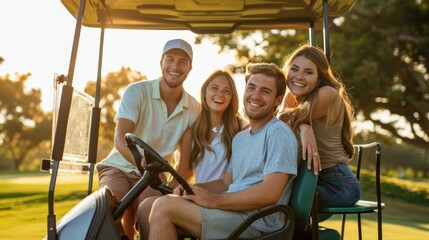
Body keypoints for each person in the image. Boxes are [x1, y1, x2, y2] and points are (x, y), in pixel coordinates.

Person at [138, 62, 298, 240]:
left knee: (164, 207)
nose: (255, 95)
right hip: (232, 213)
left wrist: (214, 200)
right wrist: (190, 189)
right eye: (251, 88)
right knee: (147, 206)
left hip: (256, 221)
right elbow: (224, 183)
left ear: (278, 100)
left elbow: (270, 194)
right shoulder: (241, 138)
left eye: (265, 91)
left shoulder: (278, 133)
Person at [96, 39, 200, 239]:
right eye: (170, 59)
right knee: (109, 207)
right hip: (118, 166)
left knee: (150, 210)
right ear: (161, 62)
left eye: (182, 62)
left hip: (153, 175)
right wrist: (141, 163)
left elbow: (185, 166)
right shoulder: (137, 91)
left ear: (190, 68)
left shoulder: (194, 109)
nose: (175, 66)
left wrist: (168, 192)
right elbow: (120, 139)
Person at [278, 44, 360, 208]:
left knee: (279, 198)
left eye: (308, 72)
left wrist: (303, 124)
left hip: (337, 184)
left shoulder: (328, 92)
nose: (299, 76)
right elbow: (280, 125)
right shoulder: (293, 98)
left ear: (319, 80)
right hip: (308, 177)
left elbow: (290, 117)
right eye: (294, 69)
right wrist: (304, 126)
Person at [170, 69, 249, 187]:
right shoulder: (192, 132)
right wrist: (165, 190)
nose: (220, 94)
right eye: (214, 88)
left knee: (148, 205)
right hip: (197, 195)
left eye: (226, 91)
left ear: (232, 97)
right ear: (205, 92)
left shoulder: (242, 128)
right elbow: (183, 173)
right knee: (149, 203)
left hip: (226, 197)